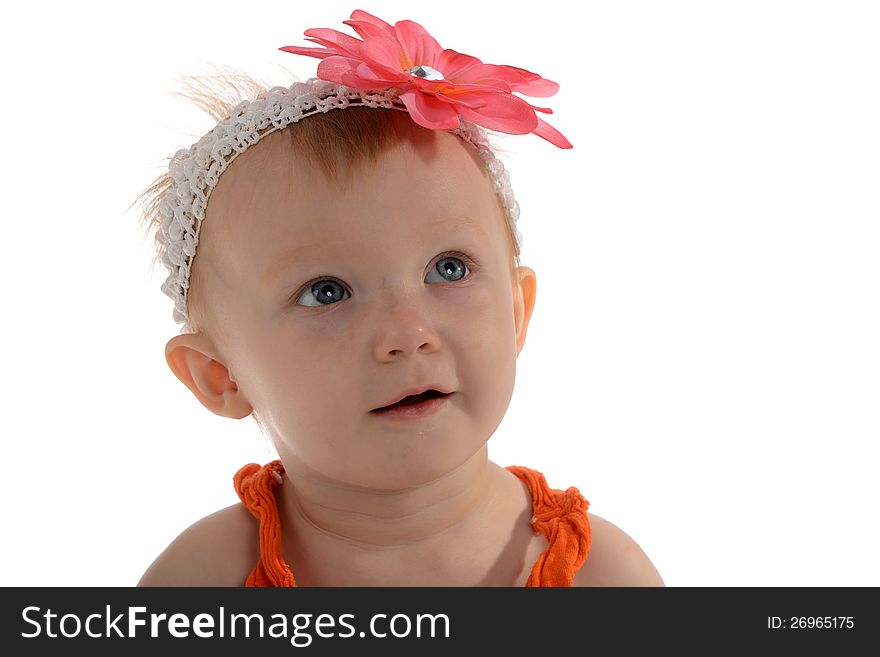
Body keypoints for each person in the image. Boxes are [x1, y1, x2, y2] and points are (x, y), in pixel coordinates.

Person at [134, 9, 664, 587]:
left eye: (449, 268)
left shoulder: (602, 577)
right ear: (220, 375)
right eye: (327, 292)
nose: (408, 332)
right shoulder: (205, 579)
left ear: (516, 312)